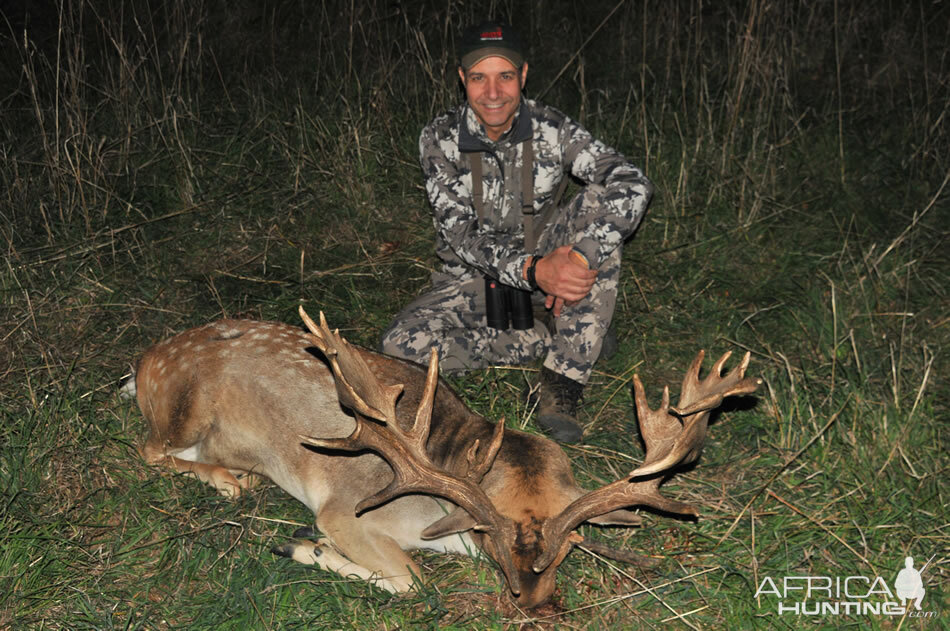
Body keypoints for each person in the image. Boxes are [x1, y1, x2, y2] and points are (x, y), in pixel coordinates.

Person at [380, 21, 653, 443]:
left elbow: (631, 182)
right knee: (400, 348)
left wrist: (578, 256)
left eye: (505, 76)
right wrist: (532, 271)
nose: (493, 93)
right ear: (462, 80)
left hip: (550, 263)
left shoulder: (553, 128)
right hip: (473, 278)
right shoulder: (438, 138)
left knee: (602, 216)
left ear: (523, 75)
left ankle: (562, 382)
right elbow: (461, 235)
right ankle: (554, 338)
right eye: (478, 78)